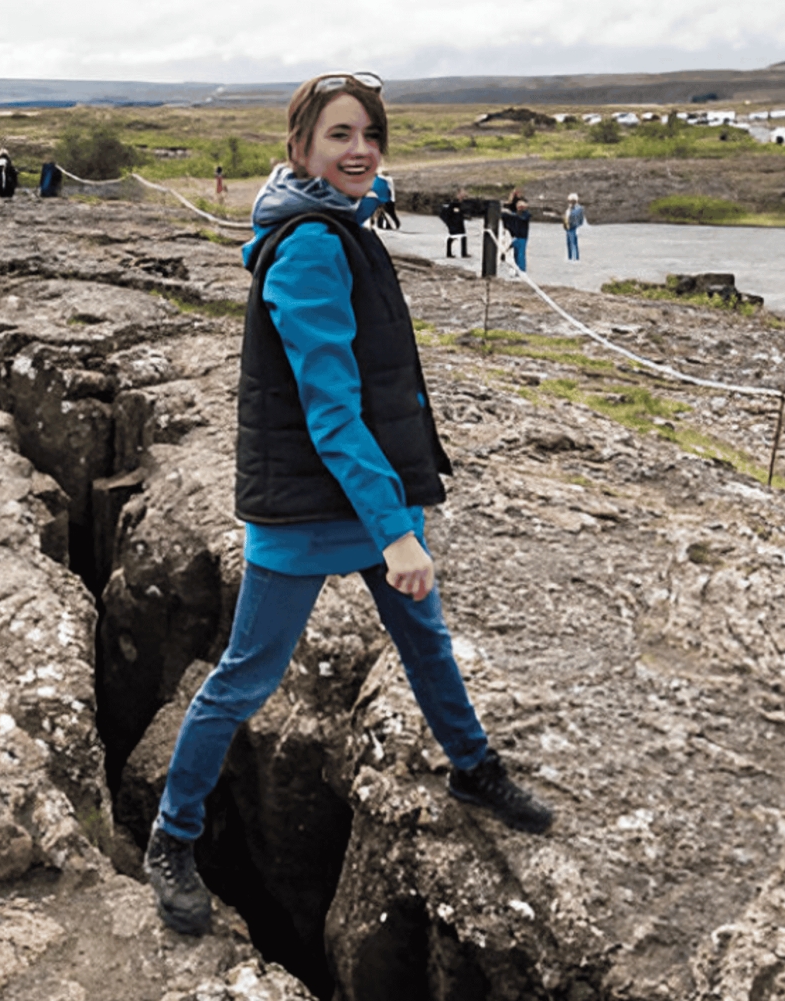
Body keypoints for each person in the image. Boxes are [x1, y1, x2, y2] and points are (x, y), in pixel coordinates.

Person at [144, 70, 555, 938]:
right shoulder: (310, 246)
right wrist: (397, 533)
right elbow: (331, 411)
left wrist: (392, 516)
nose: (360, 148)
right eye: (338, 134)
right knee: (243, 679)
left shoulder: (338, 217)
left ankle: (473, 766)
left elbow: (371, 203)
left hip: (369, 493)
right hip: (311, 503)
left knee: (426, 642)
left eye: (370, 132)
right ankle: (172, 837)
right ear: (300, 150)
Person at [501, 197, 531, 272]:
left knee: (520, 255)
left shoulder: (526, 215)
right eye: (518, 204)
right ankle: (516, 269)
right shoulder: (514, 214)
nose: (520, 206)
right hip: (515, 237)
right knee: (515, 254)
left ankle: (521, 270)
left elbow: (522, 218)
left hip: (522, 238)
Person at [439, 189, 468, 257]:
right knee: (453, 237)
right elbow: (449, 213)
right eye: (461, 194)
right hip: (454, 222)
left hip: (458, 222)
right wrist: (450, 222)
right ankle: (450, 253)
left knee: (463, 236)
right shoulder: (453, 203)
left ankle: (463, 253)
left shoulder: (459, 203)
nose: (464, 195)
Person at [563, 192, 585, 261]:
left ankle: (575, 258)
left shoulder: (579, 208)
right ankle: (570, 257)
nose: (570, 202)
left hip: (574, 227)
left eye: (571, 200)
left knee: (573, 243)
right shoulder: (569, 208)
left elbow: (579, 218)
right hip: (568, 227)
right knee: (568, 243)